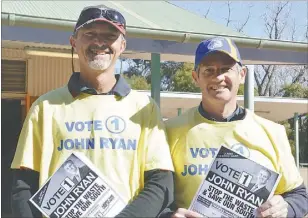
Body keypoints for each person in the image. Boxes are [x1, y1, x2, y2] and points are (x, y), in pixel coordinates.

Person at [11, 5, 174, 218]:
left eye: (110, 36)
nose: (99, 42)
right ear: (73, 42)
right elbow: (23, 185)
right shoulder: (45, 107)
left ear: (122, 45)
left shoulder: (144, 107)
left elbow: (160, 183)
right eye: (90, 34)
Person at [164, 37, 308, 218]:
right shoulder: (169, 131)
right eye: (209, 70)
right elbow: (154, 196)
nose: (218, 77)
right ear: (196, 77)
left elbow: (299, 196)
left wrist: (285, 208)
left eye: (226, 69)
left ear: (242, 75)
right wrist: (168, 216)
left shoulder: (272, 132)